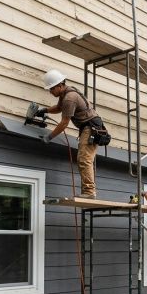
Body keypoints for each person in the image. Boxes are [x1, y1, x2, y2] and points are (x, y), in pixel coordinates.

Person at [35, 69, 101, 199]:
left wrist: (49, 137)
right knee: (84, 159)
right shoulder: (65, 94)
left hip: (91, 128)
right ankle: (88, 192)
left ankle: (89, 192)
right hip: (88, 128)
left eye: (52, 89)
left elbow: (64, 123)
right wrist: (45, 110)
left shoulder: (69, 98)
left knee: (84, 159)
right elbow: (59, 108)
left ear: (60, 85)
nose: (50, 92)